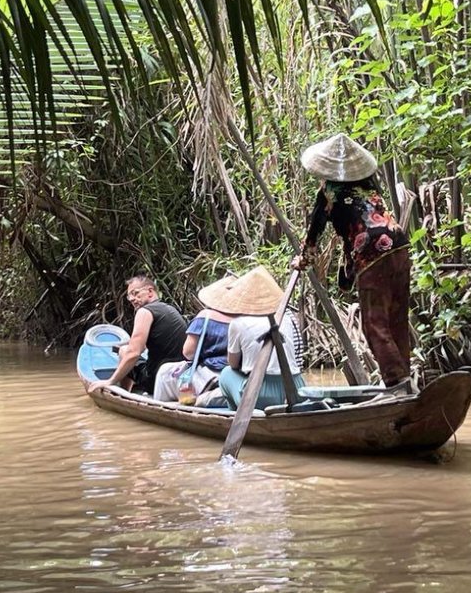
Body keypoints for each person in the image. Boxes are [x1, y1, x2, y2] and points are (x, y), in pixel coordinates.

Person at [291, 133, 414, 391]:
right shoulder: (370, 187)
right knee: (397, 319)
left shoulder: (329, 191)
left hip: (372, 252)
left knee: (374, 324)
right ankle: (406, 380)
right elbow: (358, 231)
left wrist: (302, 260)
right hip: (399, 244)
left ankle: (398, 384)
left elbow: (314, 233)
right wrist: (346, 275)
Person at [213, 266, 307, 410]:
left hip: (260, 394)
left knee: (226, 374)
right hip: (298, 387)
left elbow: (233, 364)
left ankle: (234, 413)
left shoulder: (237, 323)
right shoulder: (286, 317)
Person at [87, 275, 188, 395]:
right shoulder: (169, 309)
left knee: (125, 351)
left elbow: (133, 353)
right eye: (129, 296)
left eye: (135, 293)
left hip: (157, 380)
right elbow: (150, 344)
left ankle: (122, 394)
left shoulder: (145, 312)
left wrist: (110, 381)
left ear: (150, 291)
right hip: (179, 377)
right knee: (130, 353)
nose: (132, 299)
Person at [153, 274, 237, 404]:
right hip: (233, 373)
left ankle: (160, 408)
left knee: (165, 372)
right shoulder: (244, 320)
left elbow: (188, 353)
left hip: (208, 374)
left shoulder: (205, 316)